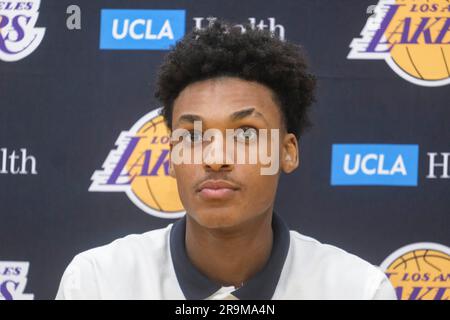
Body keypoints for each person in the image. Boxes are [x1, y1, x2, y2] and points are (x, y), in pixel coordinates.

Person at [56, 20, 397, 300]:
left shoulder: (358, 290)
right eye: (191, 136)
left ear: (288, 151)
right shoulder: (96, 283)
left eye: (246, 134)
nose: (215, 158)